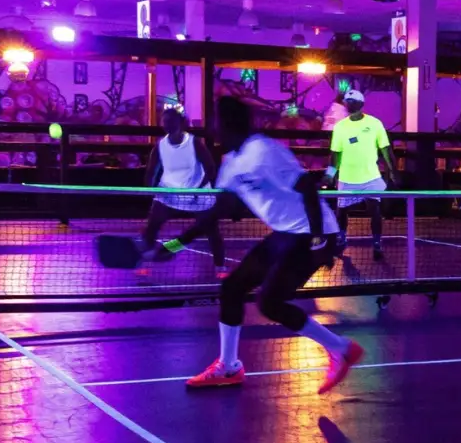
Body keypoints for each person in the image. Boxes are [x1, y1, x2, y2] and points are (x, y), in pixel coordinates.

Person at [149, 96, 363, 393]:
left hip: (313, 233)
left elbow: (307, 190)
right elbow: (216, 213)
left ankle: (340, 349)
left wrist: (318, 240)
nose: (211, 129)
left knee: (270, 303)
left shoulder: (264, 151)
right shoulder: (231, 162)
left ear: (229, 124)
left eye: (215, 122)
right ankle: (228, 366)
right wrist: (172, 246)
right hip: (286, 233)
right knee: (233, 287)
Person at [140, 106, 226, 279]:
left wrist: (199, 189)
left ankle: (220, 267)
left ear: (180, 123)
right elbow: (151, 172)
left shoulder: (194, 143)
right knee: (151, 226)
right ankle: (145, 262)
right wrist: (150, 189)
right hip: (170, 192)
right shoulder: (160, 146)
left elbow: (210, 167)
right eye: (164, 122)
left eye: (170, 121)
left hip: (197, 192)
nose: (166, 125)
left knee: (211, 230)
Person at [326, 89, 397, 261]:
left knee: (375, 209)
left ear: (361, 104)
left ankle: (377, 243)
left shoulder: (375, 124)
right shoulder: (340, 127)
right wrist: (330, 174)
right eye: (347, 102)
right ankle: (341, 239)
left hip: (370, 178)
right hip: (347, 178)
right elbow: (336, 154)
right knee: (341, 212)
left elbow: (385, 149)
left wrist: (393, 171)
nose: (349, 104)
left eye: (352, 102)